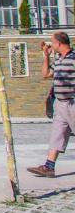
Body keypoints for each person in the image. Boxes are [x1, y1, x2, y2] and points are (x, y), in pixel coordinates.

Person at [28, 31, 75, 178]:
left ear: (58, 43)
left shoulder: (74, 58)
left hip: (73, 102)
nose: (51, 45)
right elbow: (46, 74)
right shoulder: (59, 60)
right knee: (57, 134)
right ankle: (49, 166)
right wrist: (46, 56)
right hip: (60, 104)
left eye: (52, 43)